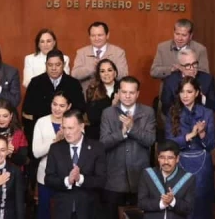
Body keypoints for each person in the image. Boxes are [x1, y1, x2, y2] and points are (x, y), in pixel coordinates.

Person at [100, 76, 156, 214]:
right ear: (118, 92)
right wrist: (122, 133)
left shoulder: (148, 112)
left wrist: (132, 129)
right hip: (114, 179)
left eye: (131, 93)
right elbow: (103, 143)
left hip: (139, 178)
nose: (127, 96)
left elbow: (150, 140)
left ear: (138, 94)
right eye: (124, 92)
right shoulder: (108, 113)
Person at [165, 76, 215, 219]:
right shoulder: (172, 112)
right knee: (179, 203)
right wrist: (189, 135)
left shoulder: (207, 113)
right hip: (180, 162)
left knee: (201, 205)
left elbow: (211, 145)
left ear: (197, 93)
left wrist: (202, 134)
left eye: (189, 92)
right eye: (182, 92)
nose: (185, 96)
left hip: (202, 165)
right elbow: (169, 143)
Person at [43, 109, 107, 219]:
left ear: (82, 126)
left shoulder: (97, 148)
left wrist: (80, 179)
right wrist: (67, 180)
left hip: (88, 210)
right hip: (62, 210)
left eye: (71, 128)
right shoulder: (55, 148)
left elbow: (101, 180)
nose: (67, 132)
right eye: (64, 128)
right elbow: (48, 179)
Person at [23, 50, 85, 143]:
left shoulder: (73, 84)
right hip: (41, 133)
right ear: (46, 65)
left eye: (57, 65)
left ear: (63, 65)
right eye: (50, 65)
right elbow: (27, 111)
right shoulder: (36, 82)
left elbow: (80, 110)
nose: (53, 68)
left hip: (68, 132)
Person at [32, 91, 71, 219]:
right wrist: (55, 140)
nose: (57, 109)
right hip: (45, 176)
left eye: (61, 106)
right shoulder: (41, 122)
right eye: (55, 104)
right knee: (45, 213)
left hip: (68, 177)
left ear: (69, 106)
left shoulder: (74, 123)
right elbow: (36, 152)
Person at [137, 141, 196, 219]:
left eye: (170, 158)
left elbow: (188, 209)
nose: (166, 162)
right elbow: (141, 204)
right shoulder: (147, 174)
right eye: (162, 157)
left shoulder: (188, 178)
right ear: (158, 158)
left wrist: (173, 201)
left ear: (177, 159)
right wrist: (161, 203)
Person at [160, 50, 215, 114]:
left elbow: (214, 106)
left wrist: (202, 98)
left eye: (194, 64)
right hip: (178, 121)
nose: (192, 68)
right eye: (187, 65)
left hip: (202, 120)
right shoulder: (170, 81)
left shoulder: (207, 79)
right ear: (180, 67)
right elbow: (165, 108)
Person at [84, 59, 119, 141]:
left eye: (109, 70)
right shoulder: (92, 90)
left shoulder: (123, 89)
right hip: (98, 133)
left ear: (115, 73)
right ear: (99, 75)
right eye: (102, 71)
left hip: (119, 131)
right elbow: (93, 118)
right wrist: (112, 107)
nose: (106, 74)